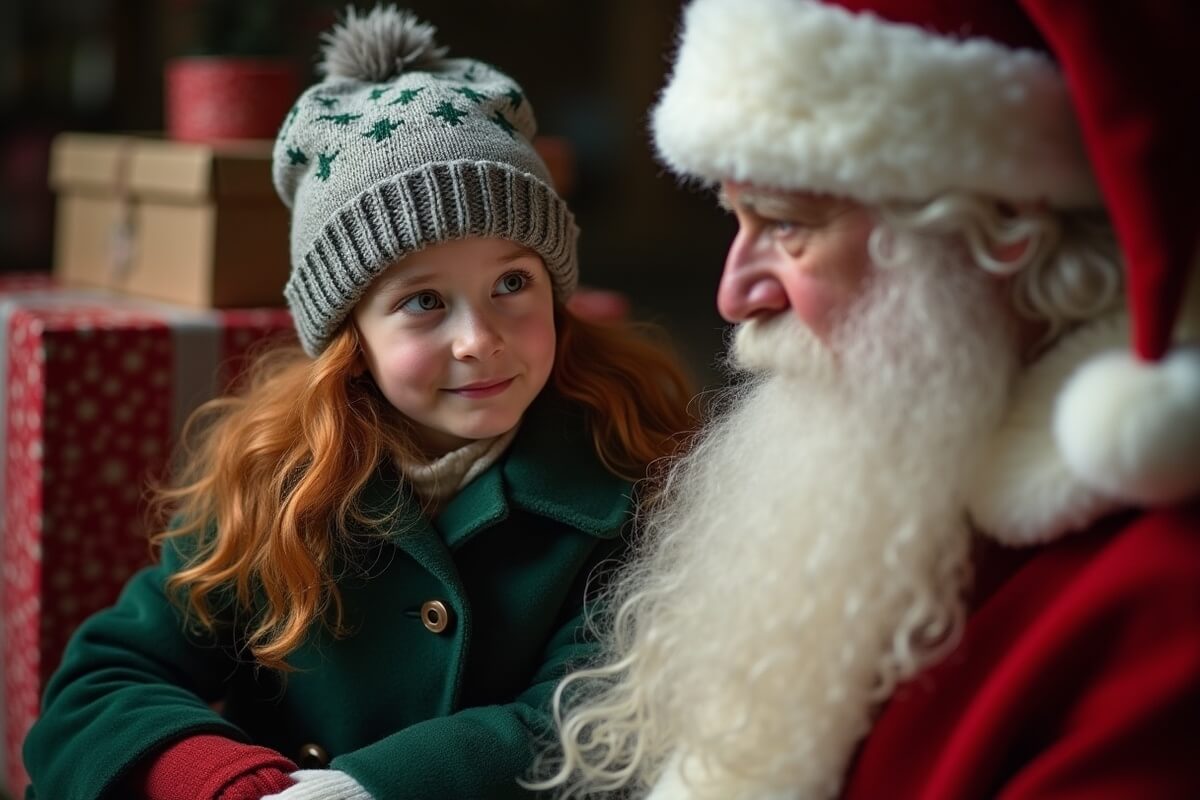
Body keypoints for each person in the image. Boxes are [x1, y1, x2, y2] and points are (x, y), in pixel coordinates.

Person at [22, 6, 692, 800]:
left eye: (512, 284)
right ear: (351, 340)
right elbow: (99, 686)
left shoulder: (627, 476)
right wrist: (219, 780)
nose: (479, 339)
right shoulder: (276, 482)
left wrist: (368, 790)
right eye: (423, 303)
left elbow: (598, 712)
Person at [538, 0, 1200, 798]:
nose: (734, 293)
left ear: (1004, 226)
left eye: (786, 225)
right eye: (734, 219)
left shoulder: (1162, 603)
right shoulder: (907, 484)